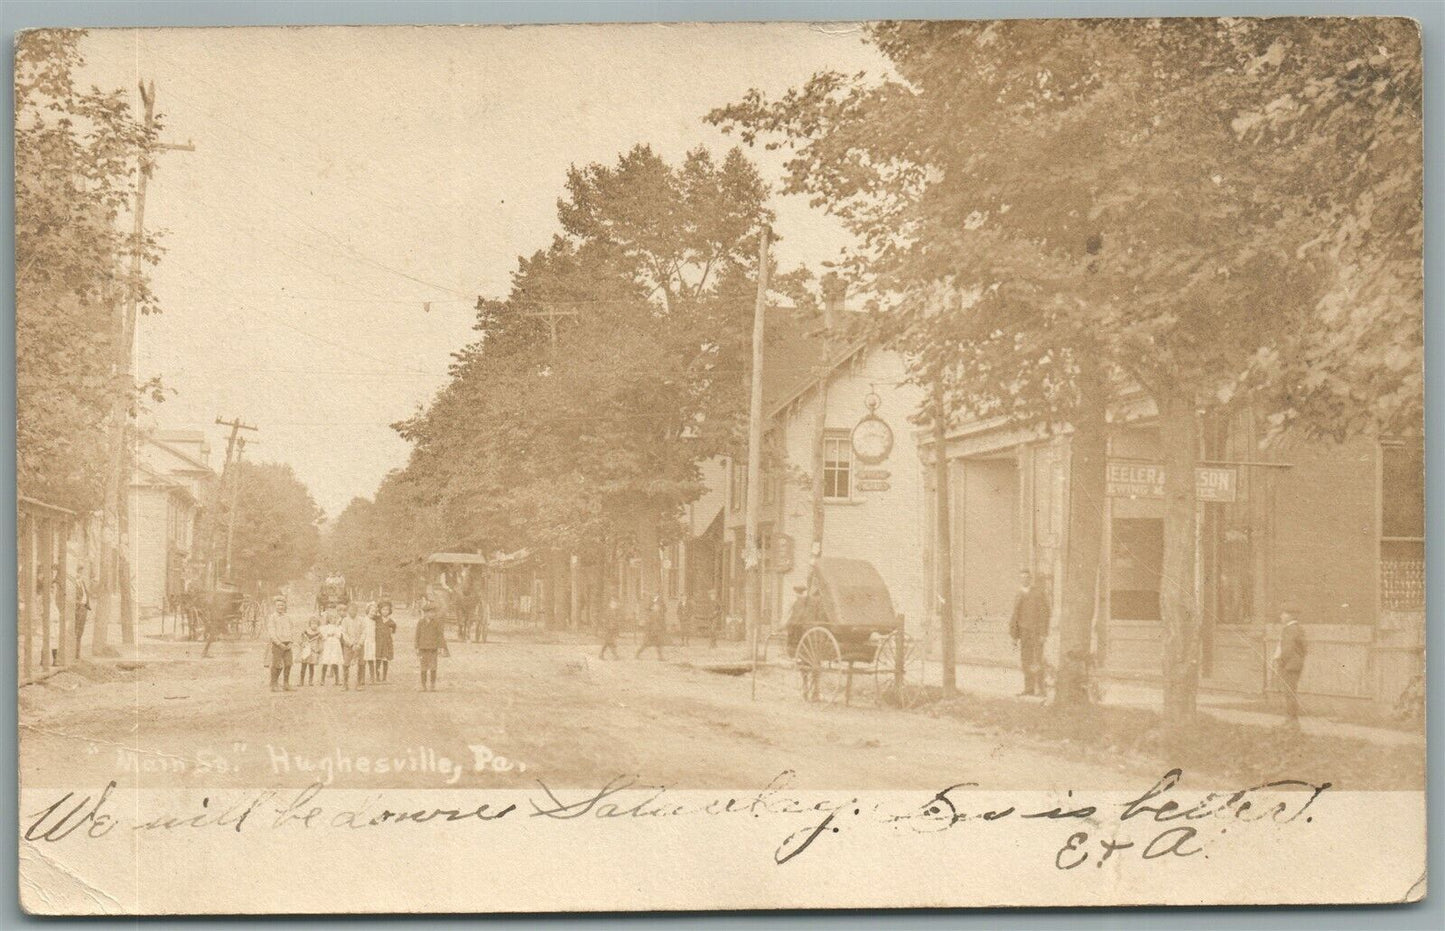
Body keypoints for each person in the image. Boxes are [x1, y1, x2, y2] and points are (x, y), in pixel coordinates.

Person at [1009, 569, 1050, 697]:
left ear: (1030, 579)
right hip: (1024, 633)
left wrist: (1043, 633)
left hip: (1036, 632)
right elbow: (1015, 616)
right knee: (1026, 660)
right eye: (1022, 578)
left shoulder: (1038, 594)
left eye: (1027, 577)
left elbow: (1045, 613)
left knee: (1037, 659)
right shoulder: (1019, 594)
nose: (1024, 580)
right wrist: (1014, 636)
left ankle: (1041, 689)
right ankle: (1029, 688)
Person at [1274, 604, 1308, 725]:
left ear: (1290, 616)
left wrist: (1281, 661)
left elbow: (1287, 649)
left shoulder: (1290, 629)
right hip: (1294, 664)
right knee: (1290, 692)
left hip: (1289, 665)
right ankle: (1291, 718)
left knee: (1289, 693)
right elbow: (1304, 648)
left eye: (1283, 614)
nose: (1281, 616)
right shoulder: (1298, 629)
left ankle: (1291, 719)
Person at [414, 600, 450, 691]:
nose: (432, 614)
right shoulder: (421, 622)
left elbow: (440, 635)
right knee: (423, 667)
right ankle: (423, 685)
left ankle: (432, 685)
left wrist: (441, 647)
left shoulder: (437, 623)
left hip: (433, 648)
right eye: (430, 612)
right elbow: (417, 635)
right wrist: (416, 647)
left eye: (434, 612)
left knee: (433, 667)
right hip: (423, 648)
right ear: (425, 613)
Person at [265, 596, 296, 692]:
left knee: (288, 664)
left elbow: (292, 630)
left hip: (287, 644)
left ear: (285, 606)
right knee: (277, 665)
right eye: (278, 605)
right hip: (277, 644)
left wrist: (291, 642)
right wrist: (279, 643)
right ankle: (273, 684)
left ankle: (286, 684)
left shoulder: (288, 617)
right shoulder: (272, 618)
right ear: (275, 606)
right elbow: (272, 633)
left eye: (282, 605)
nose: (280, 607)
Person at [341, 601, 370, 690]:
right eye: (351, 610)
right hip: (348, 645)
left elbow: (364, 632)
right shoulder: (345, 620)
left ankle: (359, 683)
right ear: (348, 610)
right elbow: (344, 633)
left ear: (357, 610)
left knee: (361, 663)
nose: (353, 612)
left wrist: (359, 643)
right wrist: (351, 644)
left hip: (359, 645)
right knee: (346, 663)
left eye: (354, 610)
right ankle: (345, 683)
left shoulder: (361, 620)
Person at [318, 608, 344, 686]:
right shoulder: (325, 627)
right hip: (328, 644)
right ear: (328, 619)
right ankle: (322, 679)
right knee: (325, 661)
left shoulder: (338, 627)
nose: (333, 620)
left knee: (334, 661)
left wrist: (336, 629)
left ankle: (337, 680)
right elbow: (322, 635)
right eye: (331, 618)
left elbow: (339, 636)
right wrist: (328, 634)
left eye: (335, 618)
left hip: (335, 645)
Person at [636, 594, 666, 660]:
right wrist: (648, 632)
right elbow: (648, 624)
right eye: (656, 606)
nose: (658, 607)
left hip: (656, 631)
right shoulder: (651, 614)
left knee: (658, 644)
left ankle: (660, 657)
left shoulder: (658, 614)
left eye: (658, 606)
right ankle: (637, 654)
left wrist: (660, 628)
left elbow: (660, 623)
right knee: (645, 644)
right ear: (653, 607)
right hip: (651, 632)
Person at [374, 599, 397, 682]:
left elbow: (393, 632)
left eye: (387, 609)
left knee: (385, 660)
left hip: (386, 643)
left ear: (390, 611)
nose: (385, 611)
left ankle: (384, 677)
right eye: (383, 609)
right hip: (378, 642)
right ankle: (377, 676)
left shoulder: (391, 622)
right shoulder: (377, 619)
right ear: (380, 610)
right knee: (378, 659)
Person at [71, 565, 91, 660]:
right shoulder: (72, 584)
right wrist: (78, 603)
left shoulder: (82, 582)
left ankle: (77, 655)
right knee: (75, 631)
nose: (79, 574)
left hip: (84, 608)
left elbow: (86, 594)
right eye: (78, 572)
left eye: (81, 572)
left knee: (80, 632)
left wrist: (86, 604)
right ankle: (74, 654)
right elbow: (71, 597)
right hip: (77, 609)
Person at [297, 615, 321, 685]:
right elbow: (300, 640)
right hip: (306, 650)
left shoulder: (318, 633)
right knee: (303, 666)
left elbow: (320, 642)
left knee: (311, 666)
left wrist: (318, 649)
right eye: (312, 623)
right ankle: (301, 681)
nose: (314, 625)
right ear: (310, 624)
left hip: (313, 651)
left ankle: (310, 681)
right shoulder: (305, 632)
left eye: (316, 624)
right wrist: (302, 644)